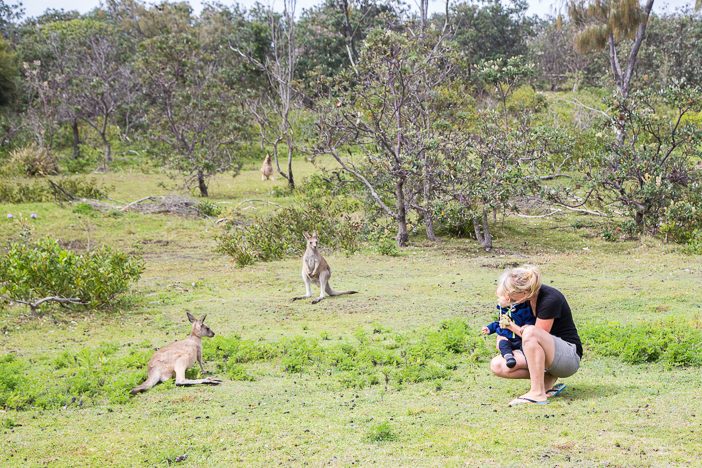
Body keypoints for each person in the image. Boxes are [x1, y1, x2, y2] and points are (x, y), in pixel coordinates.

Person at [489, 265, 583, 406]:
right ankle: (546, 381)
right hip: (545, 356)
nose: (508, 297)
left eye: (510, 293)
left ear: (525, 291)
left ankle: (537, 393)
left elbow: (534, 336)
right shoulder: (523, 301)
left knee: (531, 331)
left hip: (568, 357)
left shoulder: (550, 299)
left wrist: (510, 327)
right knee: (498, 365)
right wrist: (503, 337)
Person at [481, 287, 535, 369]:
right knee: (502, 343)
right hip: (507, 338)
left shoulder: (523, 309)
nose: (498, 301)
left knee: (525, 347)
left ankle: (531, 362)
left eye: (499, 298)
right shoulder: (503, 310)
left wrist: (512, 316)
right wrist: (489, 329)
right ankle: (509, 358)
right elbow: (499, 323)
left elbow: (529, 323)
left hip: (520, 339)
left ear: (508, 298)